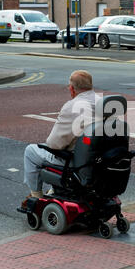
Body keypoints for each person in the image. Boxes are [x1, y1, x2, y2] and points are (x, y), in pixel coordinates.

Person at [21, 70, 100, 208]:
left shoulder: (72, 106)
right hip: (99, 159)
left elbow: (54, 144)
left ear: (71, 88)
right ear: (91, 86)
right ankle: (54, 191)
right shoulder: (103, 102)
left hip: (76, 161)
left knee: (31, 151)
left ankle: (36, 198)